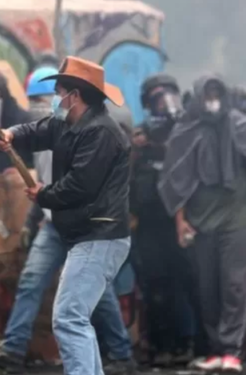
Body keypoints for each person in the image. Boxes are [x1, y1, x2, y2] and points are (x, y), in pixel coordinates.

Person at [0, 65, 135, 375]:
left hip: (100, 234)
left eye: (58, 93)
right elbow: (37, 130)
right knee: (75, 316)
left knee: (69, 317)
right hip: (84, 235)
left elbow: (80, 185)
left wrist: (44, 194)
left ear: (74, 96)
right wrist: (11, 135)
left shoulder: (101, 132)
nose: (55, 99)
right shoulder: (66, 124)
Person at [158, 75, 246, 373]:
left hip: (236, 218)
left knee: (234, 284)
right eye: (206, 94)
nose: (212, 100)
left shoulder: (237, 124)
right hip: (200, 221)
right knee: (207, 288)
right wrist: (181, 222)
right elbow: (175, 179)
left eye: (216, 93)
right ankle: (215, 350)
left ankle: (233, 351)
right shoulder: (187, 129)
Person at [130, 73, 196, 366]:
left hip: (181, 220)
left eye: (166, 94)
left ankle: (190, 341)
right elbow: (130, 178)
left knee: (188, 280)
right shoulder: (140, 135)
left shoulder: (186, 129)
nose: (163, 102)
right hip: (149, 222)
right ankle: (161, 346)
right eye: (156, 97)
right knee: (155, 284)